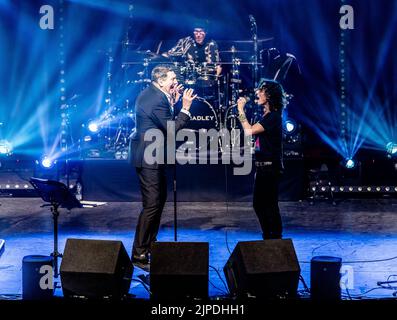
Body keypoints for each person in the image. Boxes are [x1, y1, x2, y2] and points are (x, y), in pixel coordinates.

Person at [129, 65, 197, 269]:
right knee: (152, 205)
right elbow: (171, 129)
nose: (176, 82)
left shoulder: (157, 94)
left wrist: (172, 102)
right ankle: (139, 253)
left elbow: (163, 122)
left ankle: (149, 246)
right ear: (160, 81)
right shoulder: (156, 98)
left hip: (154, 156)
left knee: (157, 203)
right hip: (149, 157)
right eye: (172, 79)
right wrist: (185, 108)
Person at [236, 79, 284, 240]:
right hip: (263, 167)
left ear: (269, 95)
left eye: (261, 91)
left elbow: (249, 131)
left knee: (269, 206)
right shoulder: (266, 115)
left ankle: (275, 239)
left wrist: (240, 110)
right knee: (260, 205)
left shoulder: (273, 117)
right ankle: (268, 237)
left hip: (270, 168)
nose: (257, 93)